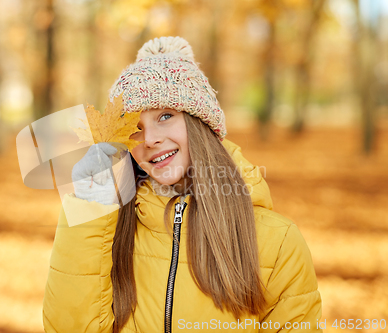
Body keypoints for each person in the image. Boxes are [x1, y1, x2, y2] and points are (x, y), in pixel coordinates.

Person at [42, 36, 322, 333]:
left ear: (200, 124)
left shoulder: (278, 243)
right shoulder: (110, 230)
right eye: (135, 129)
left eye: (165, 116)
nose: (149, 139)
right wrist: (90, 210)